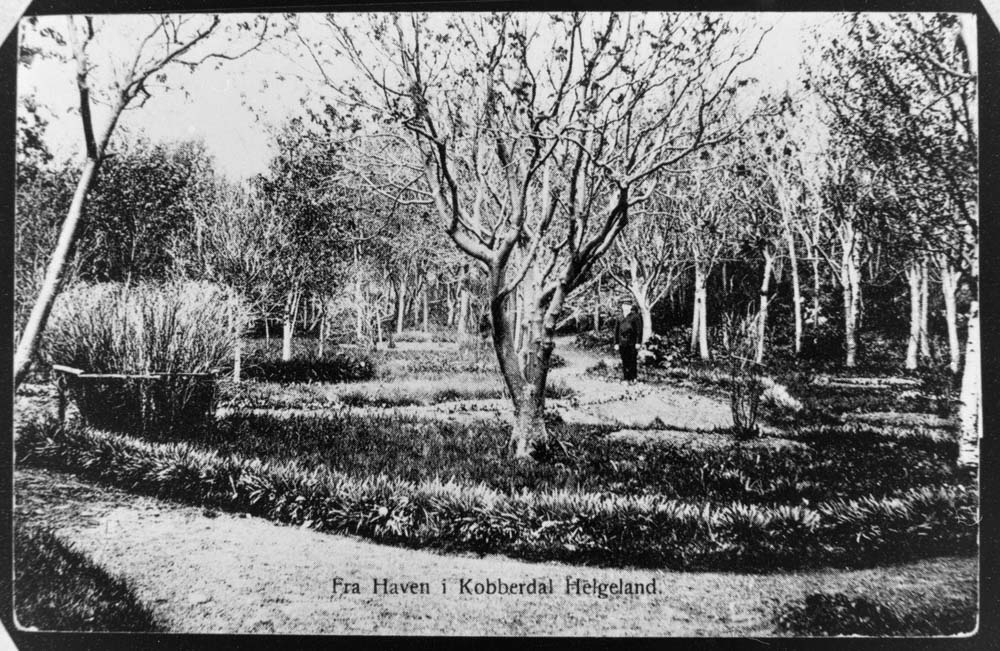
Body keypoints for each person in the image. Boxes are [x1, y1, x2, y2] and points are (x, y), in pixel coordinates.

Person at [614, 303, 643, 382]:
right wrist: (616, 343)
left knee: (632, 359)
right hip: (622, 342)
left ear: (630, 307)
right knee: (624, 360)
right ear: (622, 307)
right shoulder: (619, 317)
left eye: (628, 306)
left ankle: (633, 377)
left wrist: (638, 342)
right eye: (624, 306)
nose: (626, 308)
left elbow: (639, 331)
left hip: (632, 342)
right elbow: (616, 331)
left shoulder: (635, 317)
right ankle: (626, 378)